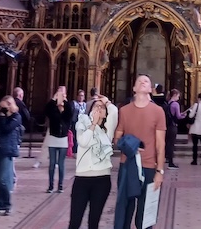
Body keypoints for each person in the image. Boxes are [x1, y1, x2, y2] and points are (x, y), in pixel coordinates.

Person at [112, 74, 166, 229]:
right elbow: (117, 138)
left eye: (146, 81)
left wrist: (159, 171)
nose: (143, 82)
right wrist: (128, 144)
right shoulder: (124, 111)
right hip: (128, 165)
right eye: (139, 81)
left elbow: (160, 144)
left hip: (149, 166)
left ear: (151, 89)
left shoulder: (158, 111)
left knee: (145, 217)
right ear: (134, 88)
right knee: (124, 211)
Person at [69, 93, 118, 229]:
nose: (99, 109)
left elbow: (114, 112)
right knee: (74, 222)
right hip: (82, 179)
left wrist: (107, 101)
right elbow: (83, 142)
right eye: (96, 106)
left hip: (102, 179)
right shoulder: (82, 124)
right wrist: (93, 125)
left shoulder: (107, 131)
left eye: (102, 108)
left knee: (93, 222)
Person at [0, 95, 23, 216]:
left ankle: (7, 204)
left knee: (3, 179)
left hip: (6, 150)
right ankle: (0, 204)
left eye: (5, 107)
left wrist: (2, 117)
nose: (2, 109)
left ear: (10, 105)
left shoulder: (16, 117)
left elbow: (7, 129)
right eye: (1, 107)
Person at [44, 86, 74, 193]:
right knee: (52, 164)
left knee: (61, 164)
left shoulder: (67, 109)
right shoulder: (53, 109)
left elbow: (70, 114)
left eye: (63, 93)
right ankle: (51, 186)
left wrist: (65, 101)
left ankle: (60, 185)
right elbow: (46, 111)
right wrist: (53, 99)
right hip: (53, 138)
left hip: (63, 139)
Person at [165, 89, 182, 169]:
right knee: (171, 144)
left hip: (168, 126)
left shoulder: (168, 103)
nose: (178, 98)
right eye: (178, 96)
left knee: (168, 143)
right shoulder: (175, 104)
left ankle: (168, 158)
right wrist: (184, 115)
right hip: (173, 125)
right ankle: (171, 162)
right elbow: (178, 116)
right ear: (175, 95)